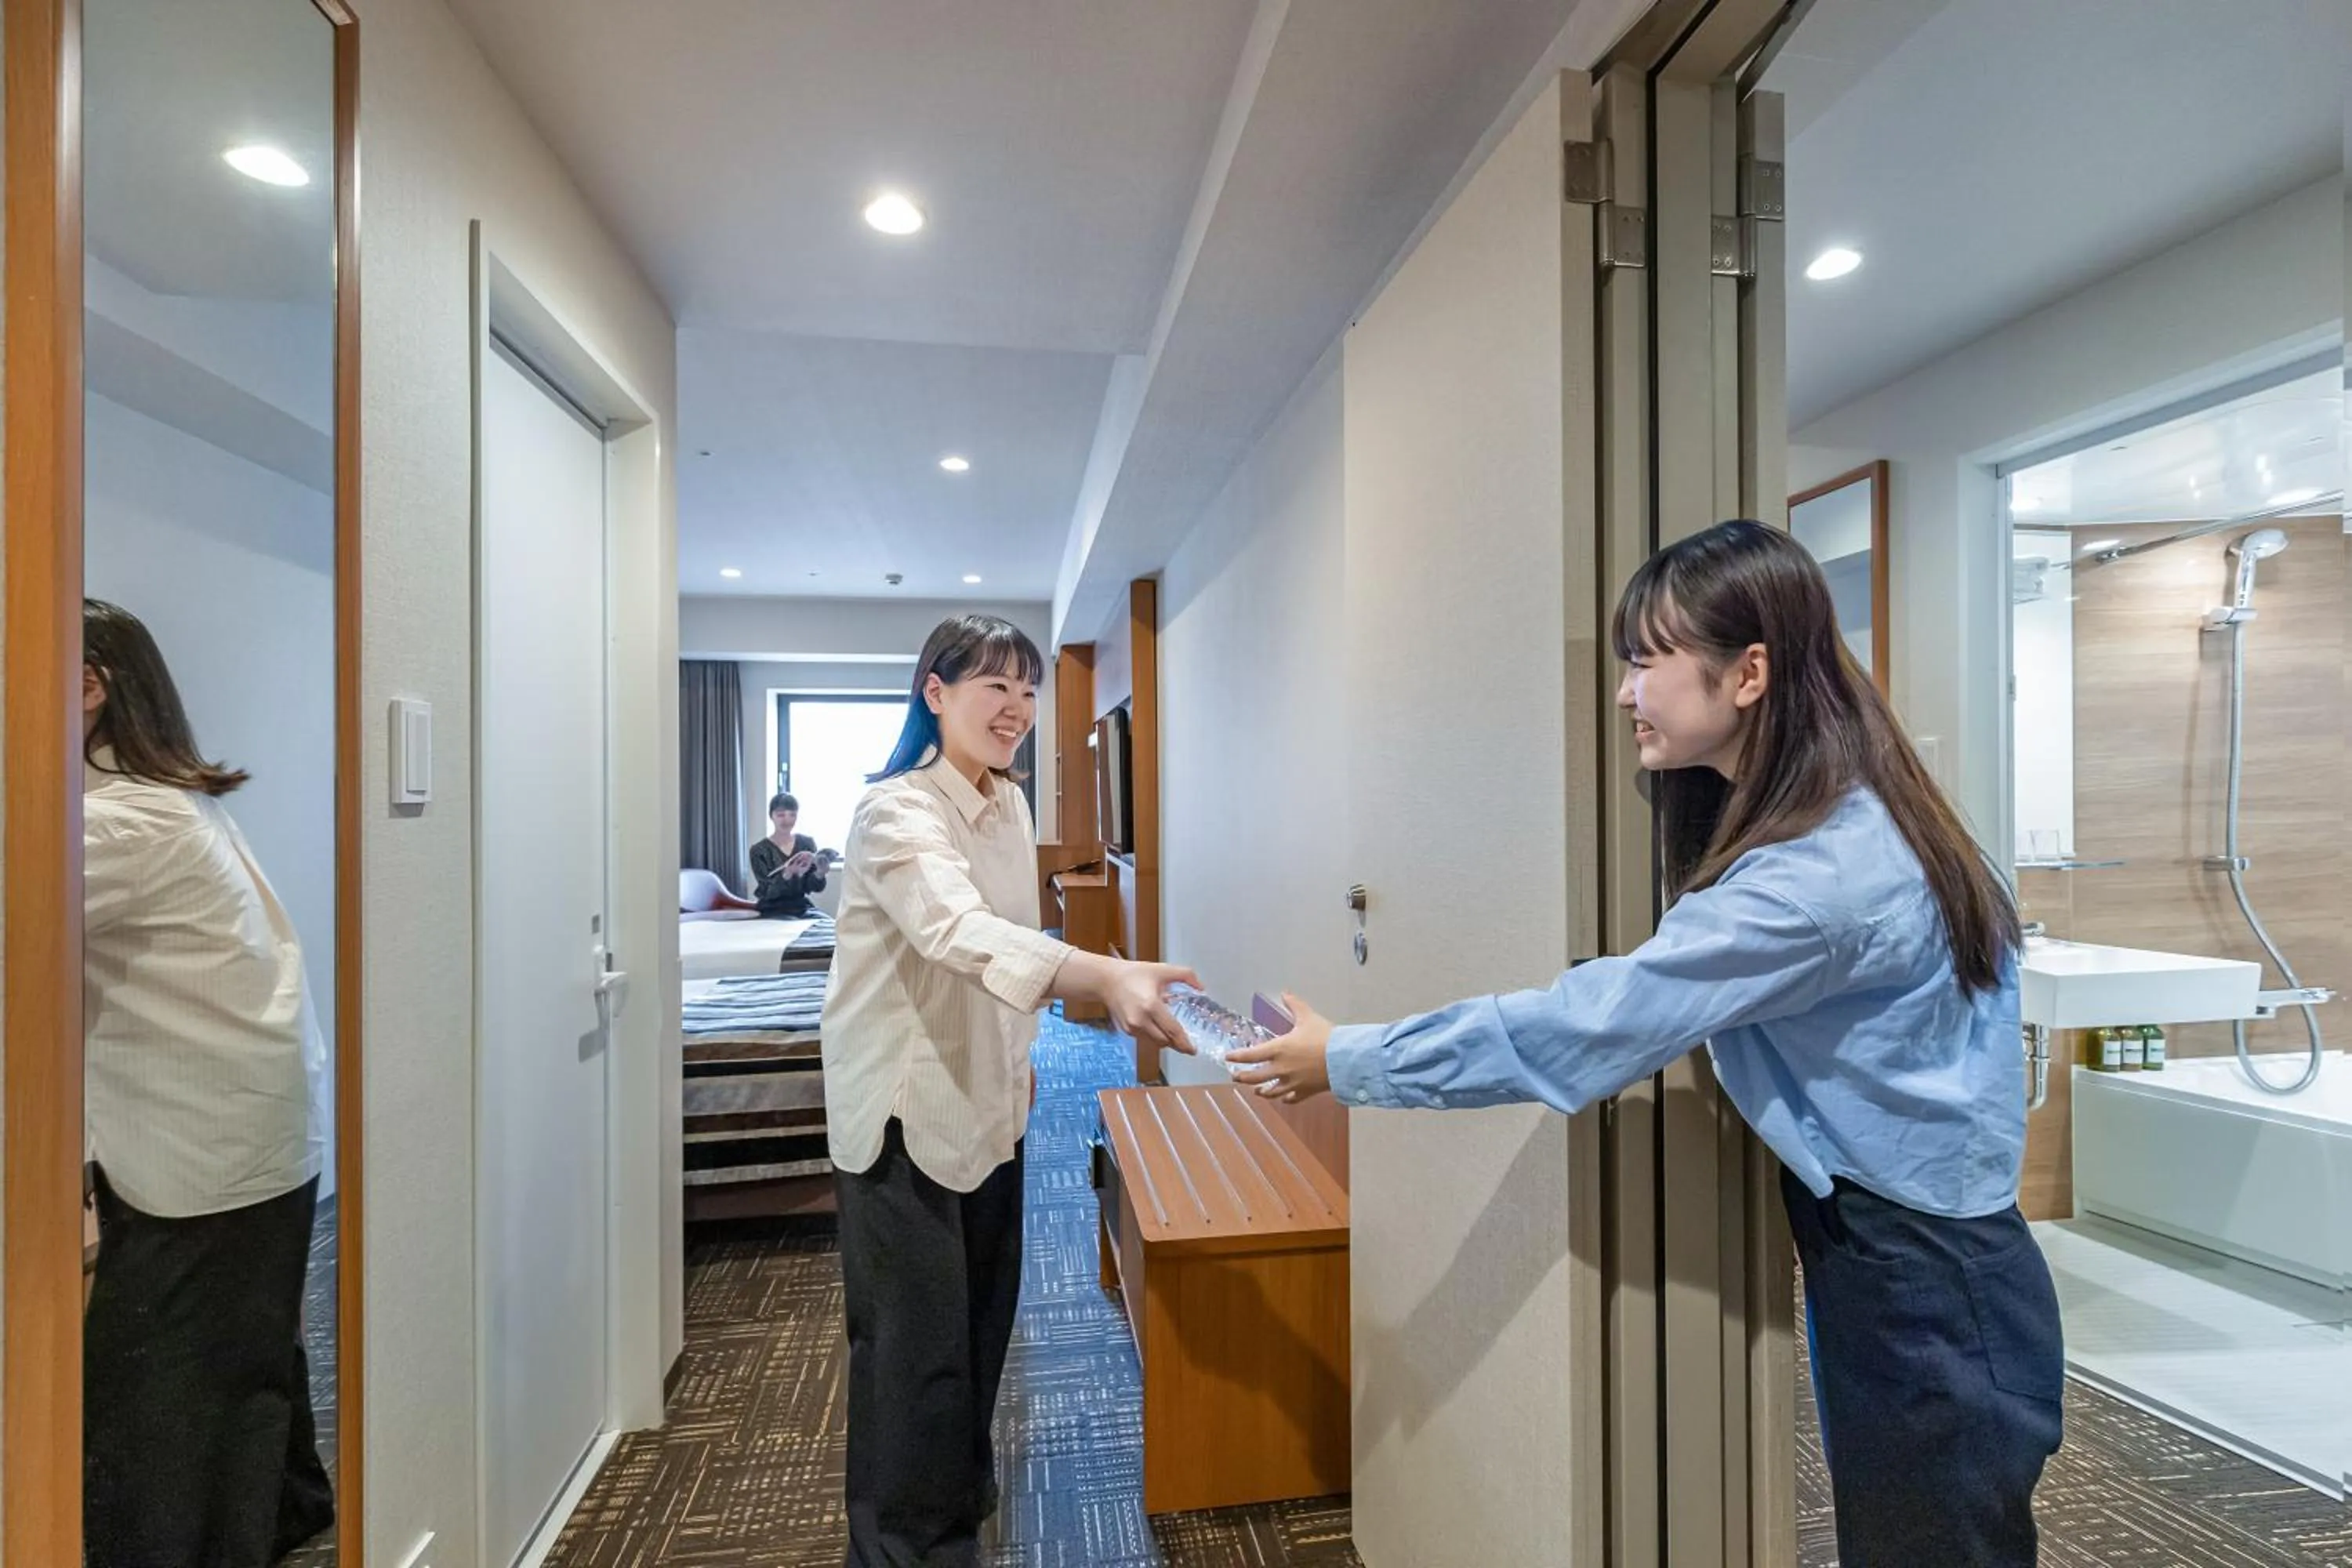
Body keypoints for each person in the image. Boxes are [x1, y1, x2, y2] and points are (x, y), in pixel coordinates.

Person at [1229, 521, 2063, 1566]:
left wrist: (1344, 1059)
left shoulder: (1813, 884)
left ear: (1748, 672)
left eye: (1645, 661)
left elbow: (1592, 1029)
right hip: (1932, 1259)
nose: (1625, 693)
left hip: (1926, 1284)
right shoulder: (1865, 812)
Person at [823, 613, 1196, 1567]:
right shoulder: (896, 812)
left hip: (993, 1100)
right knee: (914, 1357)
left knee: (985, 1325)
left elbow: (1007, 941)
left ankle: (958, 1502)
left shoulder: (1011, 804)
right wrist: (1103, 976)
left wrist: (1022, 1050)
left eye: (1028, 690)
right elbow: (956, 930)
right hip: (905, 1114)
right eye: (994, 685)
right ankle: (902, 1547)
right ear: (935, 692)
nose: (1018, 708)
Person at [78, 599, 336, 1568]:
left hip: (202, 1141)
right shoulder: (173, 800)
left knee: (159, 1389)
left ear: (92, 686)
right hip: (251, 1128)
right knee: (246, 1352)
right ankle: (282, 1510)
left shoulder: (120, 821)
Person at [749, 791, 830, 918]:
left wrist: (820, 873)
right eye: (781, 815)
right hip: (772, 908)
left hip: (801, 906)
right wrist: (787, 874)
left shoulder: (806, 843)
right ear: (771, 816)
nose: (787, 820)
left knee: (828, 923)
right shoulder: (759, 850)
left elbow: (811, 887)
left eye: (792, 815)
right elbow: (767, 891)